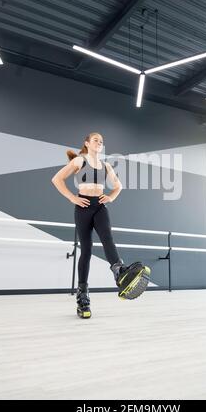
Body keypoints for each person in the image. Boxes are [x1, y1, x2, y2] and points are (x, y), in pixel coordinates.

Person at [51, 131, 130, 319]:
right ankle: (83, 294)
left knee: (107, 238)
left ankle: (119, 272)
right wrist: (72, 197)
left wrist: (110, 196)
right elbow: (57, 179)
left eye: (101, 141)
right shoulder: (79, 161)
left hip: (100, 207)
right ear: (87, 143)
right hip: (83, 206)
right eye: (96, 140)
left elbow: (118, 186)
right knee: (86, 249)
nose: (99, 143)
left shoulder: (106, 165)